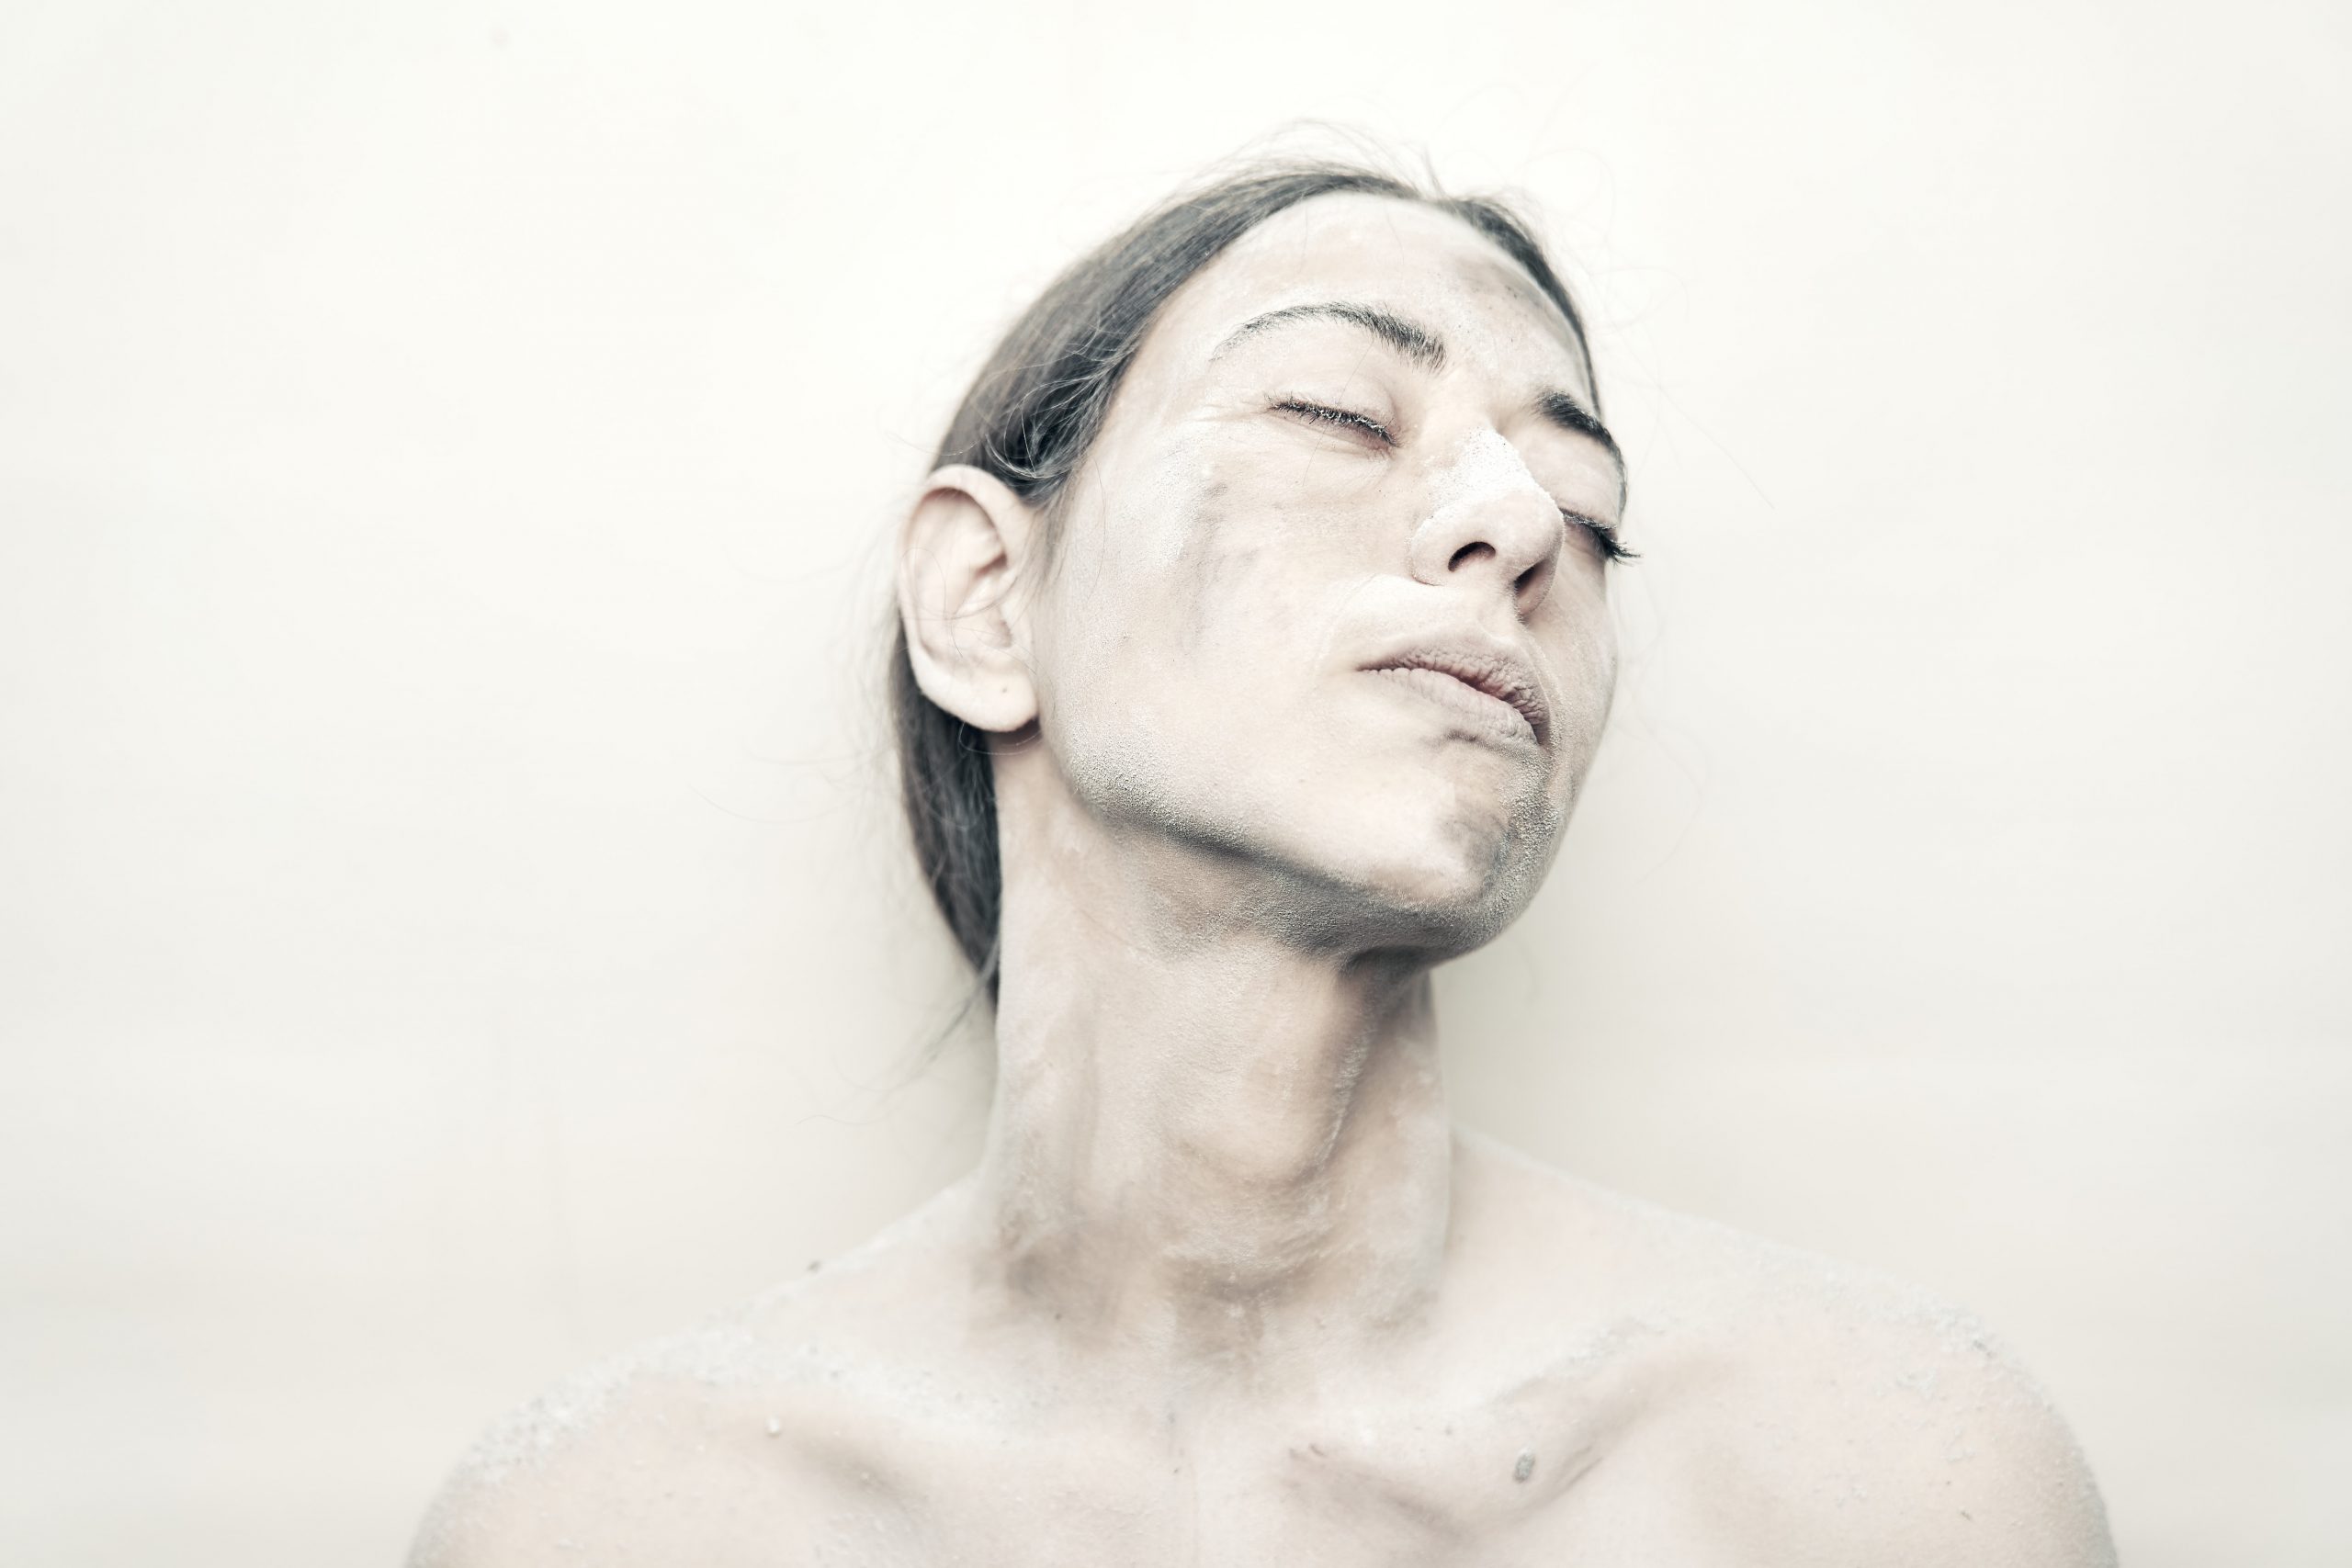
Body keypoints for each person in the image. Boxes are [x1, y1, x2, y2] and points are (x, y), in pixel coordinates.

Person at [410, 157, 2116, 1565]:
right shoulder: (608, 1525)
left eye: (1586, 507)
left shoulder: (1879, 1485)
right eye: (1337, 411)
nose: (1521, 524)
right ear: (986, 602)